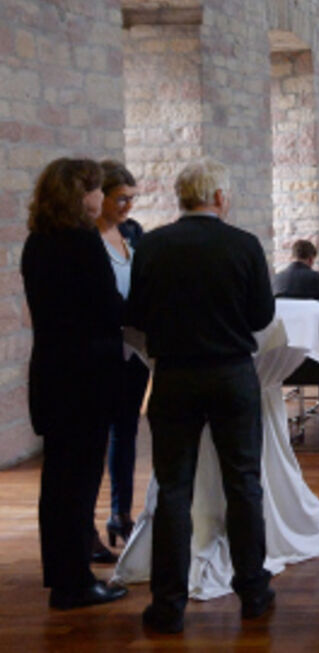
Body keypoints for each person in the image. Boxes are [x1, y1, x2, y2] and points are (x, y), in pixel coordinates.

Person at [127, 158, 276, 634]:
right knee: (243, 482)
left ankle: (168, 604)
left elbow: (138, 313)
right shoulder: (244, 245)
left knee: (174, 487)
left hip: (174, 376)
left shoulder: (152, 244)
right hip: (231, 373)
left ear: (181, 197)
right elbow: (260, 315)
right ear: (219, 197)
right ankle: (252, 590)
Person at [21, 158, 128, 610]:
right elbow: (109, 308)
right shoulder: (82, 244)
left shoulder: (37, 243)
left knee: (58, 483)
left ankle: (64, 576)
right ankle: (74, 584)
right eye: (93, 190)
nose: (97, 198)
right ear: (77, 194)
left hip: (51, 373)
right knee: (79, 483)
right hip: (85, 378)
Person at [95, 160, 149, 553]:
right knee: (95, 435)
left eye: (132, 198)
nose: (127, 206)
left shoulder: (132, 232)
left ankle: (121, 514)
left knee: (126, 432)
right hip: (99, 348)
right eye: (120, 199)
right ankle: (86, 525)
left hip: (133, 347)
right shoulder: (85, 239)